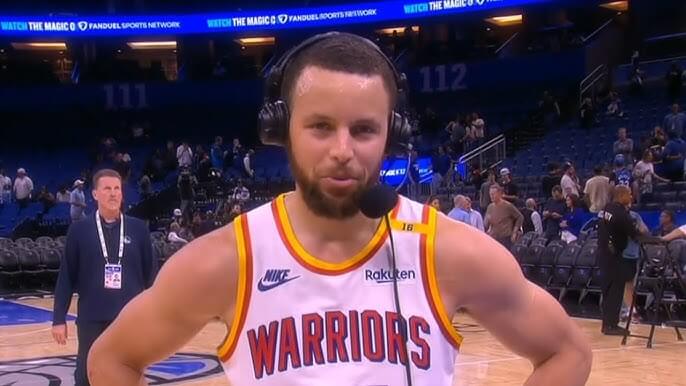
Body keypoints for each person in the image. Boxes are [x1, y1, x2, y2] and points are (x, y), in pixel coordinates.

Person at [88, 32, 591, 386]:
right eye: (321, 126)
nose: (343, 149)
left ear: (391, 136)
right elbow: (111, 360)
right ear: (281, 130)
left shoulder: (448, 251)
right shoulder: (228, 260)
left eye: (364, 129)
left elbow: (568, 352)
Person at [52, 169, 157, 386]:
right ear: (95, 194)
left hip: (129, 319)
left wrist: (155, 319)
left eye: (117, 188)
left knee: (130, 376)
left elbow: (152, 279)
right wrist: (58, 319)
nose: (113, 193)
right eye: (107, 188)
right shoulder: (79, 230)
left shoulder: (138, 229)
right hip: (92, 318)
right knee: (85, 375)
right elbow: (66, 278)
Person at [596, 185, 640, 335]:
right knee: (615, 290)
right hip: (614, 256)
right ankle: (612, 325)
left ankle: (606, 324)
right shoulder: (620, 213)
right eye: (629, 194)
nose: (631, 197)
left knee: (607, 290)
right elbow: (634, 233)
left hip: (603, 254)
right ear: (621, 195)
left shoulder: (606, 209)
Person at [484, 184, 524, 250]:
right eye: (490, 194)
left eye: (493, 194)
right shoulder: (490, 207)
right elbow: (486, 224)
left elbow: (520, 217)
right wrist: (487, 221)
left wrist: (514, 232)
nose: (491, 196)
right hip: (494, 238)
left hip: (506, 239)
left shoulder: (508, 206)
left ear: (499, 194)